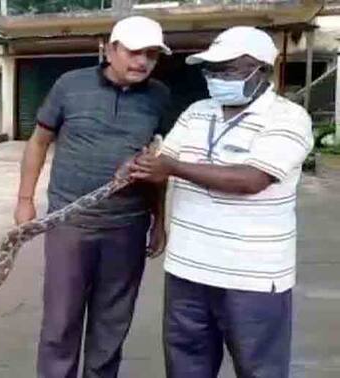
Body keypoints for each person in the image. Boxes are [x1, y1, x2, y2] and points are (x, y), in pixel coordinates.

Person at [129, 26, 313, 378]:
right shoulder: (198, 111)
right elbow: (162, 160)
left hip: (252, 278)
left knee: (259, 369)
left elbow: (252, 179)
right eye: (211, 70)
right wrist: (144, 167)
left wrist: (172, 167)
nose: (216, 78)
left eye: (228, 69)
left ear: (262, 70)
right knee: (185, 367)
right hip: (187, 270)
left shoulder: (289, 118)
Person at [14, 16, 172, 378]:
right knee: (61, 322)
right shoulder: (70, 85)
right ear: (110, 49)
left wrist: (159, 221)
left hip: (127, 228)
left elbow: (157, 162)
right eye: (134, 52)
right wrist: (25, 199)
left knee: (112, 324)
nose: (142, 62)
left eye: (151, 55)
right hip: (70, 224)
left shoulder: (159, 96)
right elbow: (39, 141)